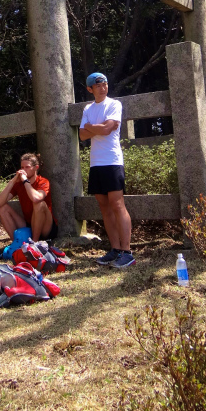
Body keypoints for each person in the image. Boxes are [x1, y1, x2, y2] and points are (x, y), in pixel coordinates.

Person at [79, 72, 135, 268]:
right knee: (104, 207)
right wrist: (96, 127)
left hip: (112, 160)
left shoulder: (114, 104)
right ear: (90, 89)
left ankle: (127, 251)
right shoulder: (88, 108)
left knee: (117, 204)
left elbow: (106, 129)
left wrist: (91, 127)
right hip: (96, 163)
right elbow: (82, 135)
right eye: (98, 85)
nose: (103, 87)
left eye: (105, 84)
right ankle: (115, 249)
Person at [0, 153, 58, 242]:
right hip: (29, 224)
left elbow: (36, 198)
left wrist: (26, 181)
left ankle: (34, 243)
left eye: (27, 167)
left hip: (46, 227)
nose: (23, 170)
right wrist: (13, 181)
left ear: (36, 168)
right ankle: (17, 243)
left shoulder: (43, 181)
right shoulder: (18, 184)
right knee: (2, 208)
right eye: (22, 167)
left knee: (39, 204)